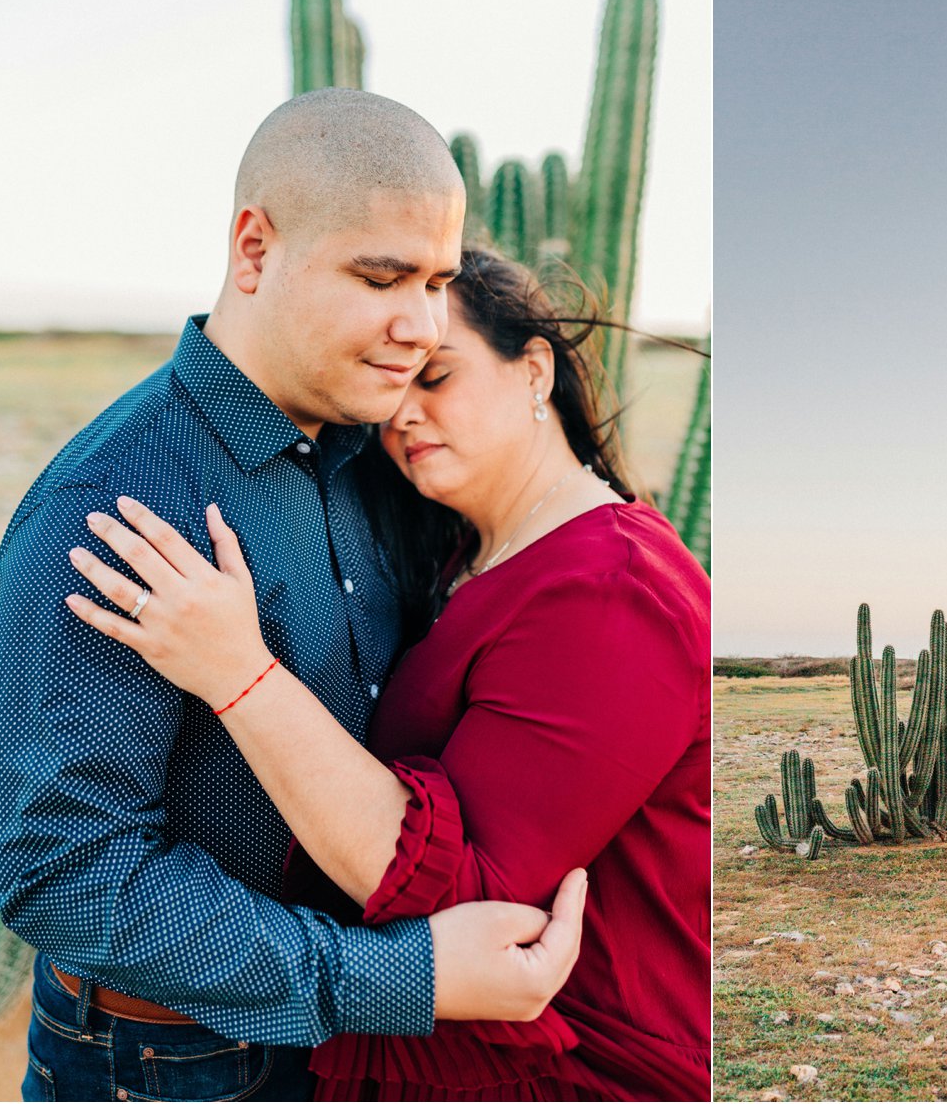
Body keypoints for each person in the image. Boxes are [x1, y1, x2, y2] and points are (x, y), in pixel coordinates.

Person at [0, 90, 586, 1104]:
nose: (420, 323)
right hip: (170, 1064)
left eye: (438, 280)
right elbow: (68, 875)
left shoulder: (366, 452)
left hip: (341, 1048)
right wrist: (401, 978)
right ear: (254, 250)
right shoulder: (118, 505)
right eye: (382, 275)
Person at [62, 247, 713, 1101]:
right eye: (390, 391)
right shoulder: (473, 554)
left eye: (435, 376)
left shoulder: (611, 589)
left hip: (567, 1063)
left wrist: (235, 670)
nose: (404, 415)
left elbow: (475, 905)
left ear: (535, 371)